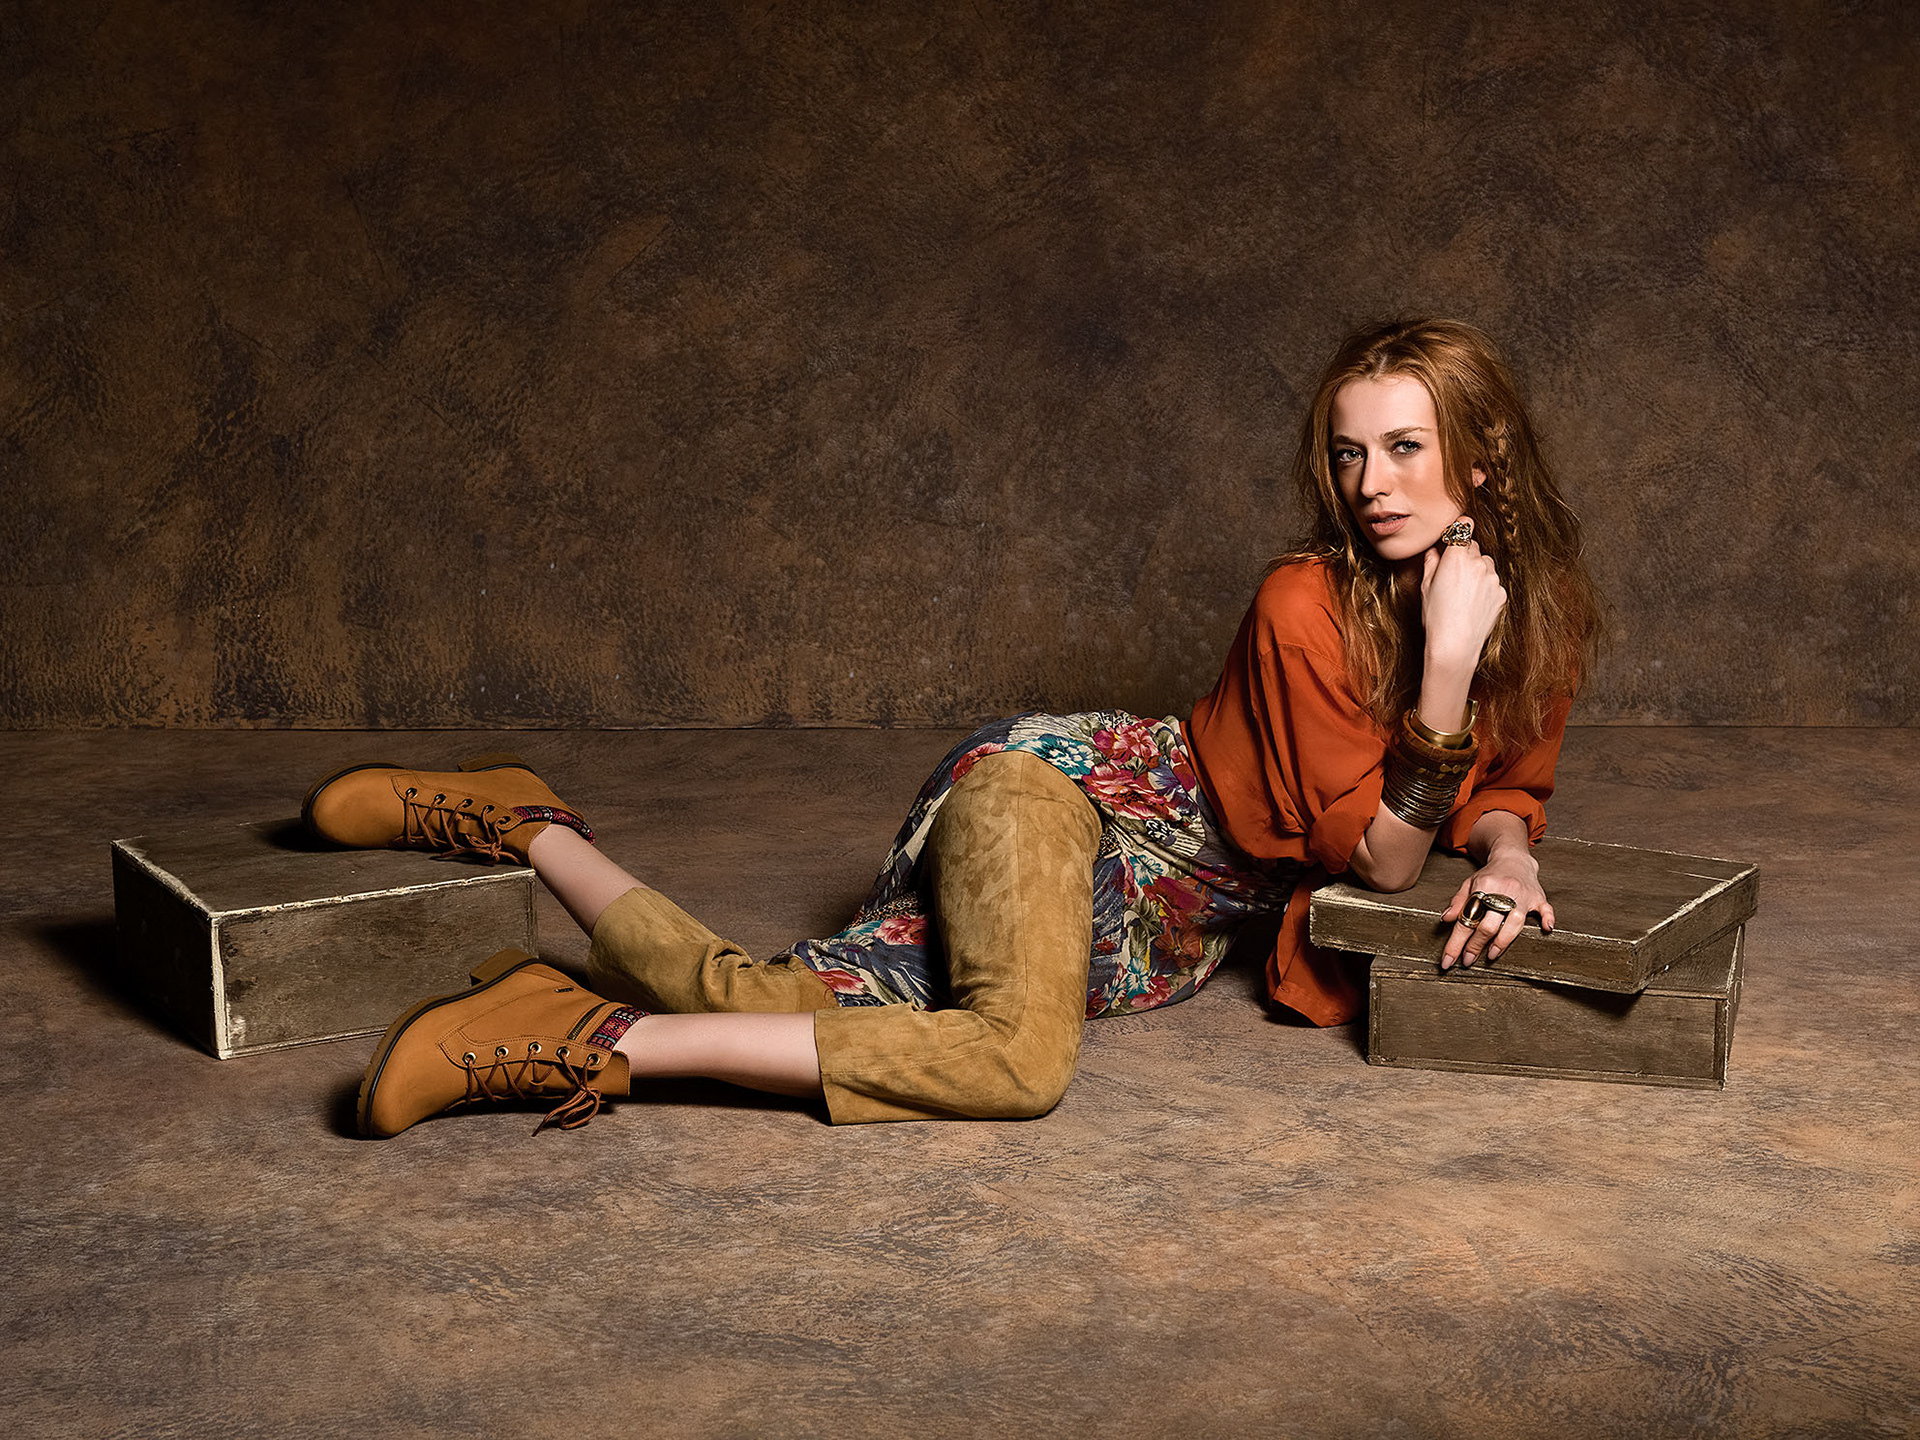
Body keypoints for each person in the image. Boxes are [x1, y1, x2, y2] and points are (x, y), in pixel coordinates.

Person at [311, 317, 1600, 1138]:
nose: (1370, 484)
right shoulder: (1303, 604)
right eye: (1350, 454)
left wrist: (1510, 857)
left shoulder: (1533, 614)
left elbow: (1508, 787)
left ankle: (528, 824)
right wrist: (1441, 669)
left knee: (767, 1000)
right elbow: (1380, 860)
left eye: (1406, 448)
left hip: (1176, 907)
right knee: (1016, 1063)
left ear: (1479, 459)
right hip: (1066, 799)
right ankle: (594, 1045)